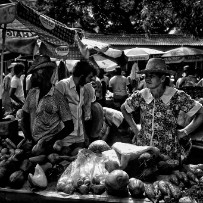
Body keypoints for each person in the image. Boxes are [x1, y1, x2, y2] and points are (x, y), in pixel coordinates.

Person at [121, 58, 203, 161]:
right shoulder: (141, 95)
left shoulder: (176, 96)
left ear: (163, 78)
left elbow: (201, 112)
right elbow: (124, 108)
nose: (147, 79)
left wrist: (184, 132)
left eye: (152, 76)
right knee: (143, 173)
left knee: (168, 175)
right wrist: (135, 129)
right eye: (146, 76)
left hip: (168, 150)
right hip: (144, 149)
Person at [21, 55, 74, 154]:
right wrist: (28, 138)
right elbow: (24, 117)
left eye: (35, 74)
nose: (33, 77)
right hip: (32, 144)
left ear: (45, 73)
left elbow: (69, 126)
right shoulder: (32, 93)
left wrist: (50, 142)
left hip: (49, 147)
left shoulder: (58, 97)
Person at [55, 59, 99, 147]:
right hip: (64, 135)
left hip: (79, 134)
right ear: (82, 75)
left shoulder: (83, 88)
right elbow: (54, 111)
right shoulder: (62, 85)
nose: (90, 80)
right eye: (89, 77)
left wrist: (85, 134)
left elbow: (81, 112)